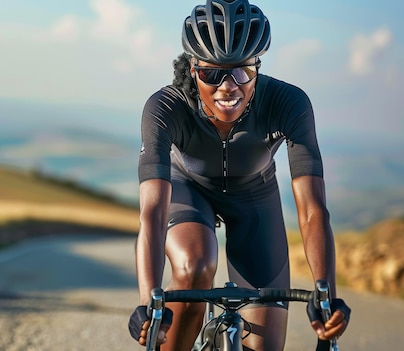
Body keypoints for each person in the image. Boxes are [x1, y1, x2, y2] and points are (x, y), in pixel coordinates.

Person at [128, 1, 351, 350]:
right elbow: (153, 213)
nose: (228, 86)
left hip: (255, 198)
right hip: (188, 188)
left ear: (257, 68)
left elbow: (312, 210)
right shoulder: (165, 107)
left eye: (243, 71)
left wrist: (327, 296)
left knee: (265, 346)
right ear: (193, 67)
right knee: (195, 265)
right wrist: (147, 303)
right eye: (213, 73)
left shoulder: (288, 103)